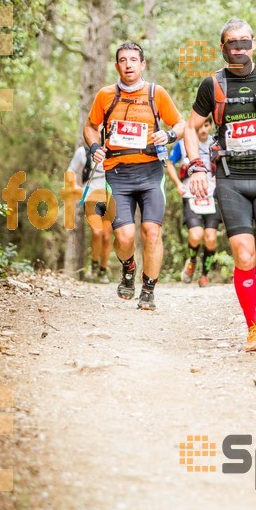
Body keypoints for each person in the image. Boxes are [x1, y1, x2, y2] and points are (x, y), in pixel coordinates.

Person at [184, 18, 256, 352]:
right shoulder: (213, 85)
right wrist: (196, 167)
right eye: (231, 43)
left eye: (244, 42)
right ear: (223, 48)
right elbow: (191, 127)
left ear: (253, 43)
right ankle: (253, 327)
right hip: (230, 180)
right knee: (245, 255)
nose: (238, 48)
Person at [83, 42, 185, 311]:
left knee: (151, 232)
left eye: (133, 60)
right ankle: (128, 268)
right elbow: (91, 127)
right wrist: (95, 147)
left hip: (151, 172)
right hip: (117, 174)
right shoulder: (105, 95)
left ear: (142, 65)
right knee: (125, 237)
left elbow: (181, 124)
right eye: (122, 60)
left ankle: (148, 289)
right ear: (116, 66)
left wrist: (170, 134)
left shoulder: (156, 93)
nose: (128, 64)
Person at [166, 117, 222, 287]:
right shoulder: (184, 144)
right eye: (201, 125)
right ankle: (191, 261)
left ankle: (204, 275)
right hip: (191, 195)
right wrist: (177, 184)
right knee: (196, 235)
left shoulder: (217, 143)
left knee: (211, 238)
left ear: (211, 125)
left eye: (207, 125)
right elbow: (169, 162)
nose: (203, 130)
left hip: (212, 195)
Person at [67, 143, 112, 283]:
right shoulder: (84, 152)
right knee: (96, 232)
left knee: (106, 237)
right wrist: (75, 187)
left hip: (110, 196)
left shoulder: (114, 149)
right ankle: (94, 263)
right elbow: (70, 171)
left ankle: (103, 270)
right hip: (91, 195)